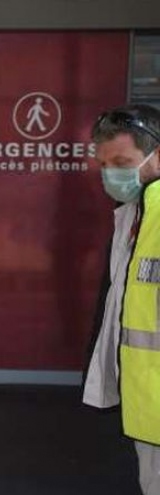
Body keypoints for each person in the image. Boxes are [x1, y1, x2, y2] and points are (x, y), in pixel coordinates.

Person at [84, 103, 160, 495]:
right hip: (147, 402)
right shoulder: (133, 214)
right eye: (103, 164)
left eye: (122, 162)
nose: (111, 173)